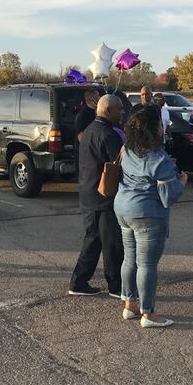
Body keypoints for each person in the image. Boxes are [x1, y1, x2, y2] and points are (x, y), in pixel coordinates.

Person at [115, 105, 186, 328]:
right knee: (147, 264)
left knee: (129, 259)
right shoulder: (159, 158)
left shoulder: (126, 149)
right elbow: (168, 196)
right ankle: (148, 313)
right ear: (155, 128)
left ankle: (130, 304)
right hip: (147, 214)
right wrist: (181, 182)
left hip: (123, 208)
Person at [69, 94, 125, 298]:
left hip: (87, 192)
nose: (122, 113)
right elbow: (119, 166)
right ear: (107, 110)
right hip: (104, 196)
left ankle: (78, 282)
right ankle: (116, 286)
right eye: (119, 109)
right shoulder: (108, 135)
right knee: (112, 243)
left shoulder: (89, 130)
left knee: (93, 239)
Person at [74, 89, 100, 166]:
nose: (100, 98)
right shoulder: (83, 115)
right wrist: (93, 150)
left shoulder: (96, 112)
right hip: (85, 156)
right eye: (98, 96)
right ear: (92, 99)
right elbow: (81, 136)